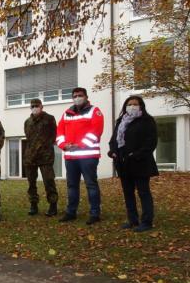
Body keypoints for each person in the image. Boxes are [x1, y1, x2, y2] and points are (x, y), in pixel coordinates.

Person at [108, 95, 159, 232]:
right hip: (123, 164)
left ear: (141, 106)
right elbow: (114, 140)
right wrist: (112, 151)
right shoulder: (121, 121)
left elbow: (151, 142)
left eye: (135, 104)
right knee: (128, 193)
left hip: (140, 163)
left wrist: (135, 155)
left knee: (143, 192)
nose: (132, 106)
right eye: (129, 104)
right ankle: (132, 220)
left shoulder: (147, 121)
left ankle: (147, 221)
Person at [56, 87, 104, 225]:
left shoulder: (94, 111)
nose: (77, 97)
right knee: (72, 185)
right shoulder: (67, 113)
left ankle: (95, 213)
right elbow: (59, 132)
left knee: (91, 185)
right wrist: (63, 145)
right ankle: (71, 212)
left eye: (80, 95)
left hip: (88, 157)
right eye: (75, 96)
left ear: (86, 96)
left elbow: (96, 131)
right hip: (71, 157)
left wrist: (80, 145)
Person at [23, 98, 59, 217]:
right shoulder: (27, 122)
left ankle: (53, 205)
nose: (34, 107)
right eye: (32, 106)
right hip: (30, 157)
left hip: (45, 157)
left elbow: (54, 136)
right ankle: (33, 205)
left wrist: (44, 146)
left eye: (36, 105)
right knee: (31, 183)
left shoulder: (49, 119)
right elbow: (28, 137)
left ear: (41, 106)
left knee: (49, 181)